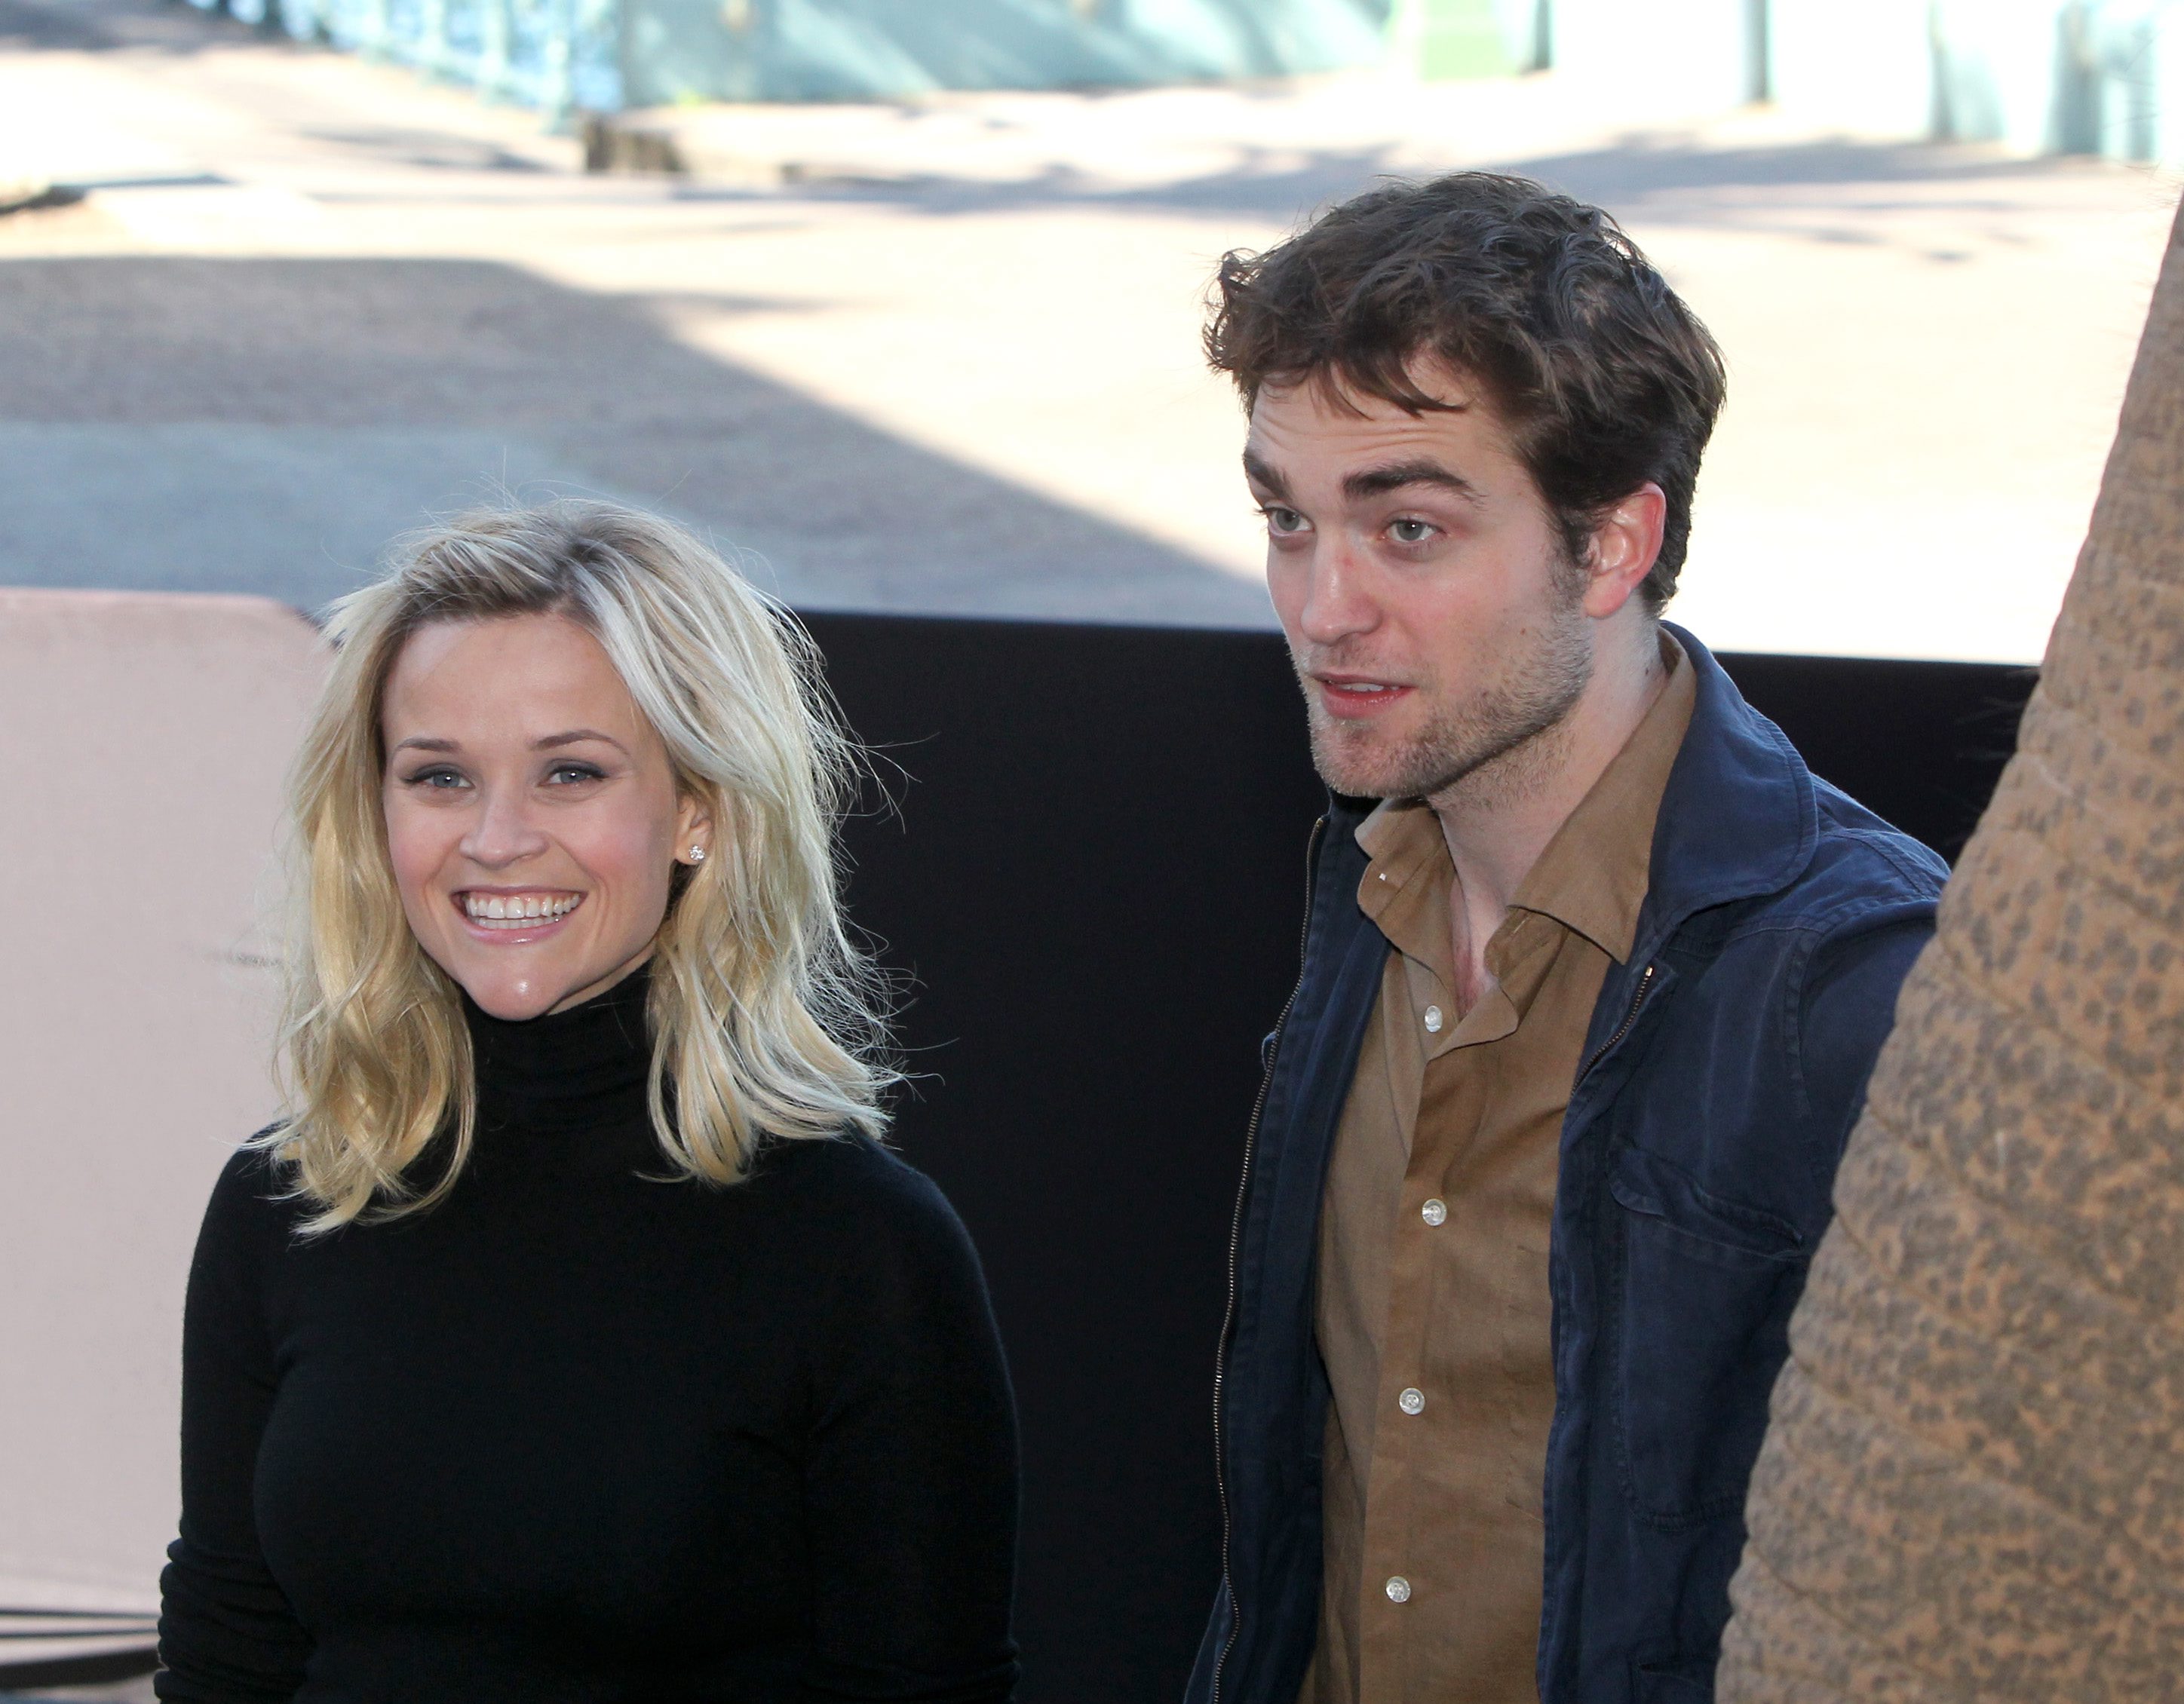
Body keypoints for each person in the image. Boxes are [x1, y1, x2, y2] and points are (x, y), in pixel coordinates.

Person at [1187, 174, 1949, 1704]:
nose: (1321, 609)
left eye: (1407, 528)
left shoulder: (1857, 986)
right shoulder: (1365, 892)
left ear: (1609, 544)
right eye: (1287, 520)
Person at [156, 501, 1020, 1702]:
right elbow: (227, 1660)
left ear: (699, 809)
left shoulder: (858, 1246)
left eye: (571, 772)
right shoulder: (288, 1200)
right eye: (441, 776)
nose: (497, 838)